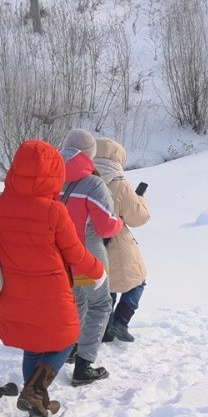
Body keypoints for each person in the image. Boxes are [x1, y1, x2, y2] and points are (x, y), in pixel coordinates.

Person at [0, 140, 106, 417]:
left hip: (16, 289)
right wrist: (98, 271)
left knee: (33, 344)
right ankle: (35, 390)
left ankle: (37, 402)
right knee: (66, 338)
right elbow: (74, 253)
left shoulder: (1, 205)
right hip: (52, 289)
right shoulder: (53, 210)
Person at [58, 129, 124, 386]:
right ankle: (84, 365)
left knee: (77, 303)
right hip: (88, 258)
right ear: (89, 155)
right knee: (100, 305)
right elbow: (106, 226)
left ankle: (71, 349)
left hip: (61, 259)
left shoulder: (53, 178)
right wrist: (118, 221)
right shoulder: (93, 184)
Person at [94, 138, 151, 342]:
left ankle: (106, 328)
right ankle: (120, 322)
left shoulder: (85, 179)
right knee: (138, 282)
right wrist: (141, 198)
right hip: (117, 243)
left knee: (105, 286)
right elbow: (138, 218)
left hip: (90, 243)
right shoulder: (119, 182)